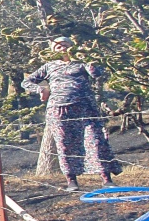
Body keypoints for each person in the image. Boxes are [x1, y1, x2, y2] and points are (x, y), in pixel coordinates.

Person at [23, 36, 119, 191]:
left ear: (72, 46)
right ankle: (71, 181)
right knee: (64, 144)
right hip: (59, 109)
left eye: (65, 45)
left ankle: (106, 178)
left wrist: (88, 58)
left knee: (95, 140)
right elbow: (26, 82)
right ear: (53, 51)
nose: (62, 48)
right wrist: (41, 89)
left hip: (86, 107)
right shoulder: (49, 66)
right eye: (58, 47)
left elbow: (96, 74)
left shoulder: (82, 63)